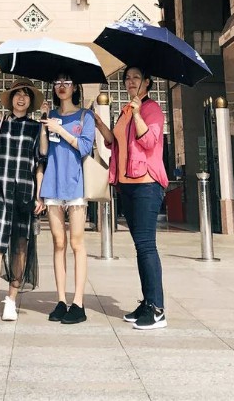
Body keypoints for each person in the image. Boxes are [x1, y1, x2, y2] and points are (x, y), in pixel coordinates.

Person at [93, 65, 168, 330]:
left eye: (136, 77)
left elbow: (149, 142)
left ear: (147, 82)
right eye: (127, 78)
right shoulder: (127, 110)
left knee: (146, 246)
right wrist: (100, 124)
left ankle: (157, 310)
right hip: (127, 185)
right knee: (140, 246)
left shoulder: (151, 109)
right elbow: (115, 143)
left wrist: (137, 114)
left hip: (146, 185)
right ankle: (147, 302)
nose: (130, 81)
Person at [0, 78, 45, 327]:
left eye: (26, 94)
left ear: (31, 100)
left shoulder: (36, 128)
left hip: (24, 195)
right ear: (11, 98)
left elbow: (40, 161)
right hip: (0, 193)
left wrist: (39, 195)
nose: (21, 98)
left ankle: (11, 300)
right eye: (17, 93)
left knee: (20, 248)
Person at [39, 72, 95, 325]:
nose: (61, 86)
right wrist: (44, 123)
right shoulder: (50, 115)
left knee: (76, 243)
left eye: (67, 82)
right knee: (58, 243)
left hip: (75, 186)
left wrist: (60, 129)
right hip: (53, 184)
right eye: (57, 82)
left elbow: (84, 147)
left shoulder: (85, 116)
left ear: (75, 88)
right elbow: (43, 150)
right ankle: (61, 300)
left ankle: (78, 302)